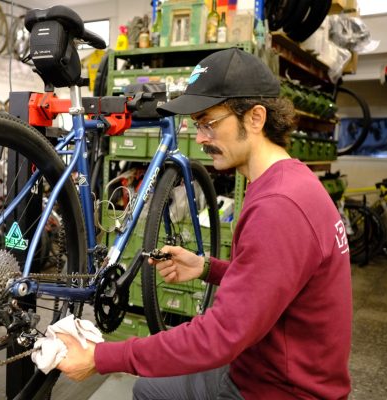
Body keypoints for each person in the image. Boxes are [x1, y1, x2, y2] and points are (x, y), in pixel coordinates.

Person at [56, 48, 352, 399]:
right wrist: (207, 267)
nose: (199, 138)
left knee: (148, 391)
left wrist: (101, 357)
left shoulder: (279, 207)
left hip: (275, 390)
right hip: (265, 365)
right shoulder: (290, 182)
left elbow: (220, 336)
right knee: (151, 387)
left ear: (255, 118)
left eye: (208, 122)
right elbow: (272, 280)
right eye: (197, 125)